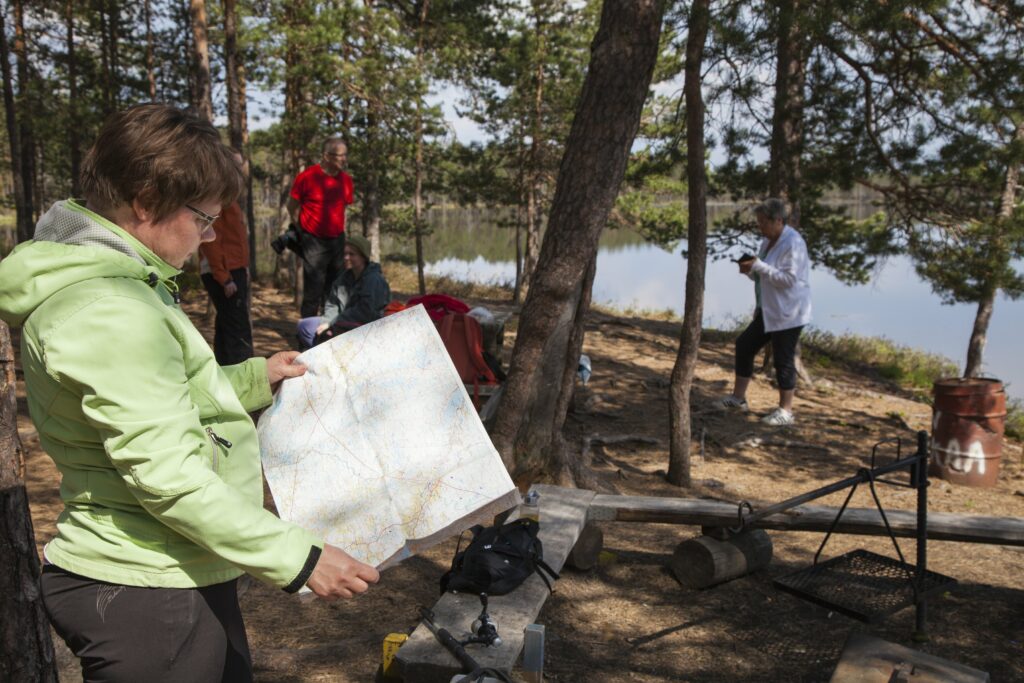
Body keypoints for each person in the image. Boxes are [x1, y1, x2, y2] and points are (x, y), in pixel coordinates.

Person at [0, 104, 378, 683]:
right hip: (143, 582)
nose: (207, 236)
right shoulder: (110, 309)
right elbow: (169, 477)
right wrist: (300, 559)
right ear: (147, 201)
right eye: (203, 217)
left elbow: (159, 398)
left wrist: (256, 377)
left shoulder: (120, 286)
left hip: (170, 568)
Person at [715, 198, 812, 425]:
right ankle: (739, 399)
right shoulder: (767, 242)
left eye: (763, 222)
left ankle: (786, 412)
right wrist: (749, 270)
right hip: (769, 309)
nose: (760, 227)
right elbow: (764, 276)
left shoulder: (793, 243)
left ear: (778, 220)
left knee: (783, 359)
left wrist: (758, 266)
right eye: (758, 222)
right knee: (745, 345)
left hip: (789, 312)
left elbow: (788, 279)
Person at [285, 137, 355, 318]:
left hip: (337, 241)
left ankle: (328, 333)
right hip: (313, 241)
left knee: (335, 291)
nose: (344, 159)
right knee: (313, 292)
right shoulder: (307, 177)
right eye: (340, 156)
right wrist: (301, 230)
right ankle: (306, 341)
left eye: (345, 155)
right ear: (326, 156)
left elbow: (343, 209)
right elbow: (291, 206)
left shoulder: (346, 180)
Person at [200, 159, 253, 364]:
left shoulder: (230, 198)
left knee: (226, 327)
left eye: (242, 166)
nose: (241, 170)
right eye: (235, 166)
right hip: (224, 273)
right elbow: (211, 241)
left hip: (233, 270)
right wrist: (224, 277)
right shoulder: (217, 198)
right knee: (238, 330)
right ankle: (245, 385)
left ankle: (226, 378)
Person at [296, 233, 390, 349]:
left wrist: (333, 324)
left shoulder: (374, 279)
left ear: (363, 257)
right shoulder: (343, 278)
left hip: (365, 329)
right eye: (345, 254)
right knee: (304, 326)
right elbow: (332, 304)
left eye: (352, 254)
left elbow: (366, 312)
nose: (346, 258)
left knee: (329, 335)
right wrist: (327, 322)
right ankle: (328, 354)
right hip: (339, 323)